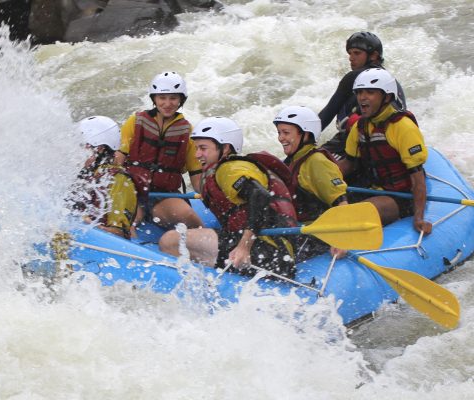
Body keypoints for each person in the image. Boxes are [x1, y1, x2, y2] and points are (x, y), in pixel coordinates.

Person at [159, 117, 298, 278]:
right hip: (274, 253)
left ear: (225, 148)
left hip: (269, 253)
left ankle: (206, 286)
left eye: (203, 148)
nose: (197, 154)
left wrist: (244, 247)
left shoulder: (230, 169)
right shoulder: (228, 167)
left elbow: (260, 197)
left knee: (169, 241)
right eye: (196, 148)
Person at [337, 68, 432, 234]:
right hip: (370, 189)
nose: (362, 97)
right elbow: (348, 164)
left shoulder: (403, 127)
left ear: (387, 97)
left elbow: (417, 179)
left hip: (400, 197)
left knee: (358, 213)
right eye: (359, 92)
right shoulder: (360, 126)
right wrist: (322, 178)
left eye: (370, 92)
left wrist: (418, 217)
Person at [115, 71, 203, 229]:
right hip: (133, 191)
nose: (167, 104)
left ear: (181, 100)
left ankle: (211, 244)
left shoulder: (187, 130)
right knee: (130, 222)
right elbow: (119, 158)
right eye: (162, 98)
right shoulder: (135, 121)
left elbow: (196, 174)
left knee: (188, 216)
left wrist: (211, 195)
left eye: (173, 98)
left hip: (164, 196)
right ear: (154, 99)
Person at [274, 105, 348, 260]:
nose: (281, 138)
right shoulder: (294, 159)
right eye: (279, 132)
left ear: (306, 134)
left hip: (316, 235)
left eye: (286, 133)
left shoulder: (317, 162)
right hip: (299, 230)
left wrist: (342, 240)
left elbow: (341, 203)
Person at [319, 31, 407, 161]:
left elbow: (327, 114)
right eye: (350, 53)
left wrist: (303, 135)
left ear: (374, 55)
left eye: (357, 53)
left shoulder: (353, 77)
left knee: (308, 165)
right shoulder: (390, 81)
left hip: (358, 142)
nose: (351, 58)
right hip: (387, 142)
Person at [66, 115, 137, 239]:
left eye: (83, 147)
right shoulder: (83, 174)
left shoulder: (118, 180)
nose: (76, 152)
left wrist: (87, 223)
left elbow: (119, 234)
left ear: (100, 149)